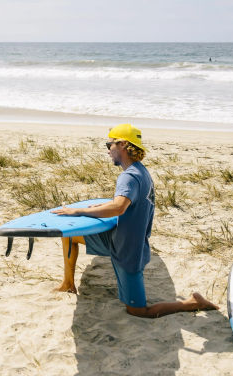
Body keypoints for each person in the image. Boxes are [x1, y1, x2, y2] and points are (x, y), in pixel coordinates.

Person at [52, 123, 218, 318]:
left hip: (128, 250)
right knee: (71, 236)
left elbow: (118, 207)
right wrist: (97, 207)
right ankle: (68, 284)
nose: (108, 151)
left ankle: (192, 303)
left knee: (138, 311)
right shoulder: (141, 171)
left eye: (109, 145)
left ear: (122, 145)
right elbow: (126, 204)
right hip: (119, 239)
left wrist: (77, 212)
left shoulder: (129, 177)